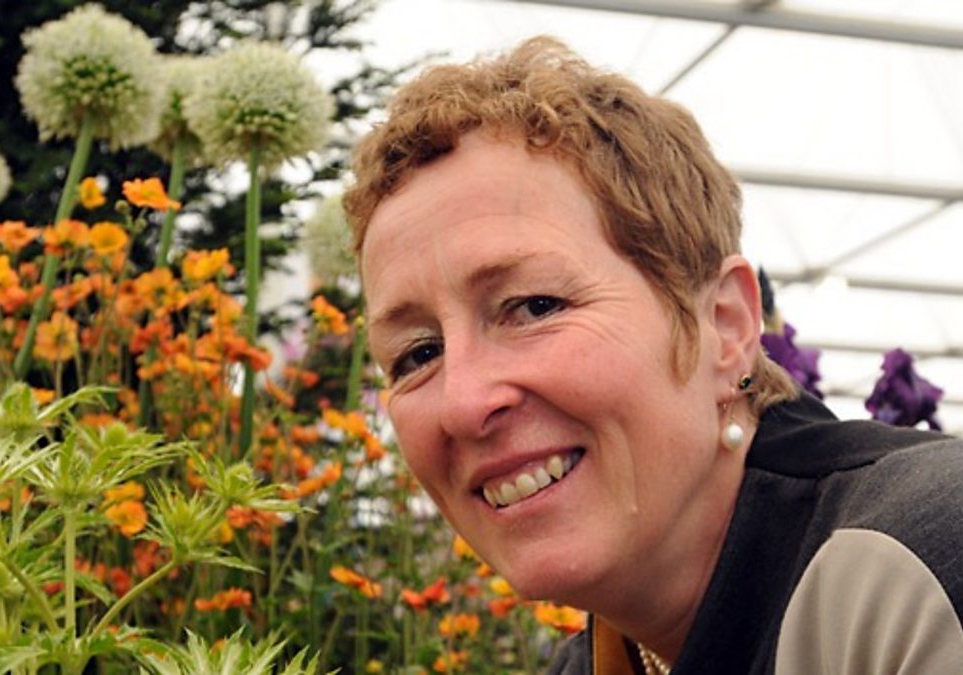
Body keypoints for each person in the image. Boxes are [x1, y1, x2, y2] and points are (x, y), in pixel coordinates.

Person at [342, 36, 963, 674]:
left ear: (725, 325)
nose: (464, 402)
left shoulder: (926, 565)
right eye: (417, 354)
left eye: (535, 306)